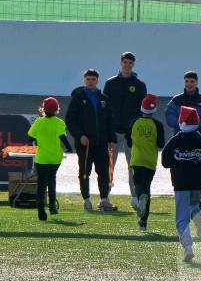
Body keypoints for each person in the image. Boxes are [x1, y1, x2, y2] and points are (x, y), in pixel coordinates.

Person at [161, 106, 201, 262]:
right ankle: (198, 219)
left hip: (180, 182)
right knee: (193, 205)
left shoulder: (175, 140)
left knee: (181, 219)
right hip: (198, 182)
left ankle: (188, 247)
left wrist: (177, 163)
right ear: (197, 122)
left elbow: (165, 161)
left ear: (180, 122)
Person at [65, 68, 115, 212]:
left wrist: (111, 138)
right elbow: (70, 120)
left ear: (97, 81)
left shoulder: (104, 98)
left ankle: (104, 199)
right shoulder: (78, 98)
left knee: (104, 171)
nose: (90, 82)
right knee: (85, 172)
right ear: (84, 80)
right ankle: (86, 199)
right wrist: (80, 135)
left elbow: (110, 120)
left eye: (93, 79)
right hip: (84, 144)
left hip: (101, 142)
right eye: (88, 79)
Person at [104, 51, 148, 210]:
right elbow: (105, 108)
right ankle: (105, 196)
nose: (127, 65)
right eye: (125, 62)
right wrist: (106, 128)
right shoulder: (110, 83)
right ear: (120, 63)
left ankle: (135, 197)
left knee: (133, 166)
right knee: (109, 165)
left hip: (132, 133)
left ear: (133, 64)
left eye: (130, 63)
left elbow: (142, 109)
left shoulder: (139, 85)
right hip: (114, 133)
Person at [127, 93, 165, 231]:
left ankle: (140, 197)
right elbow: (161, 144)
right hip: (150, 160)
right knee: (147, 187)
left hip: (137, 159)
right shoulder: (158, 125)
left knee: (138, 184)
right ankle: (143, 222)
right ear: (154, 110)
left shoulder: (133, 122)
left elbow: (129, 142)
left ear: (141, 108)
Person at [27, 96, 67, 221]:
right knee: (52, 181)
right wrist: (70, 148)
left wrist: (32, 145)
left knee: (41, 184)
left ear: (43, 109)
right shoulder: (59, 123)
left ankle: (40, 208)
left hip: (42, 158)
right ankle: (52, 207)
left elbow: (30, 137)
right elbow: (63, 138)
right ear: (57, 110)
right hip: (55, 158)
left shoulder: (38, 122)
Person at [164, 71, 201, 142]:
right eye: (187, 81)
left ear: (197, 82)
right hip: (179, 139)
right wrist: (183, 125)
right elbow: (169, 116)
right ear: (184, 82)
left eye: (192, 81)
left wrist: (194, 125)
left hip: (198, 140)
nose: (189, 84)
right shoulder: (176, 100)